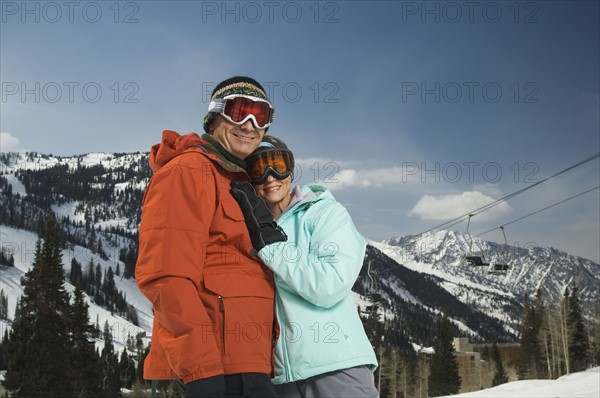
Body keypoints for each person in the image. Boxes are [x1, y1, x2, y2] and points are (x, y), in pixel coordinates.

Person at [135, 77, 287, 398]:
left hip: (252, 362)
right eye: (239, 111)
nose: (249, 125)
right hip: (220, 368)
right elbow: (166, 275)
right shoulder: (189, 171)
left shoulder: (236, 180)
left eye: (261, 116)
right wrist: (201, 370)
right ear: (215, 117)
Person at [230, 136, 379, 398]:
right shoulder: (245, 230)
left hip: (335, 365)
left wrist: (272, 245)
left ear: (291, 168)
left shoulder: (324, 214)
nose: (270, 176)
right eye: (257, 169)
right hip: (279, 377)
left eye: (278, 164)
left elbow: (329, 284)